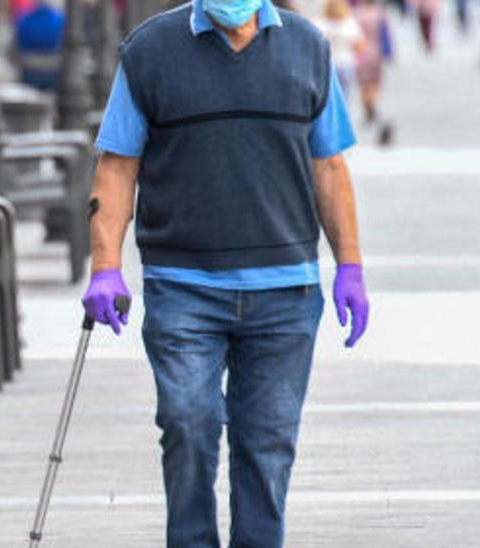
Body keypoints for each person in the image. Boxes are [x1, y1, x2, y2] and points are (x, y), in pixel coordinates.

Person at [84, 0, 369, 545]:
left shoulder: (308, 47)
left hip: (285, 289)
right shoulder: (149, 51)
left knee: (267, 444)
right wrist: (105, 269)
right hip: (183, 286)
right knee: (186, 423)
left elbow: (329, 165)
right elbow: (117, 166)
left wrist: (350, 267)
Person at [314, 0, 364, 98]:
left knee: (328, 95)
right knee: (345, 94)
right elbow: (359, 45)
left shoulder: (320, 23)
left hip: (328, 63)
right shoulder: (349, 24)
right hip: (346, 62)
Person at [14, 1, 65, 91]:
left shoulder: (25, 19)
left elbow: (15, 46)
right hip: (53, 70)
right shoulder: (59, 19)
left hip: (29, 69)